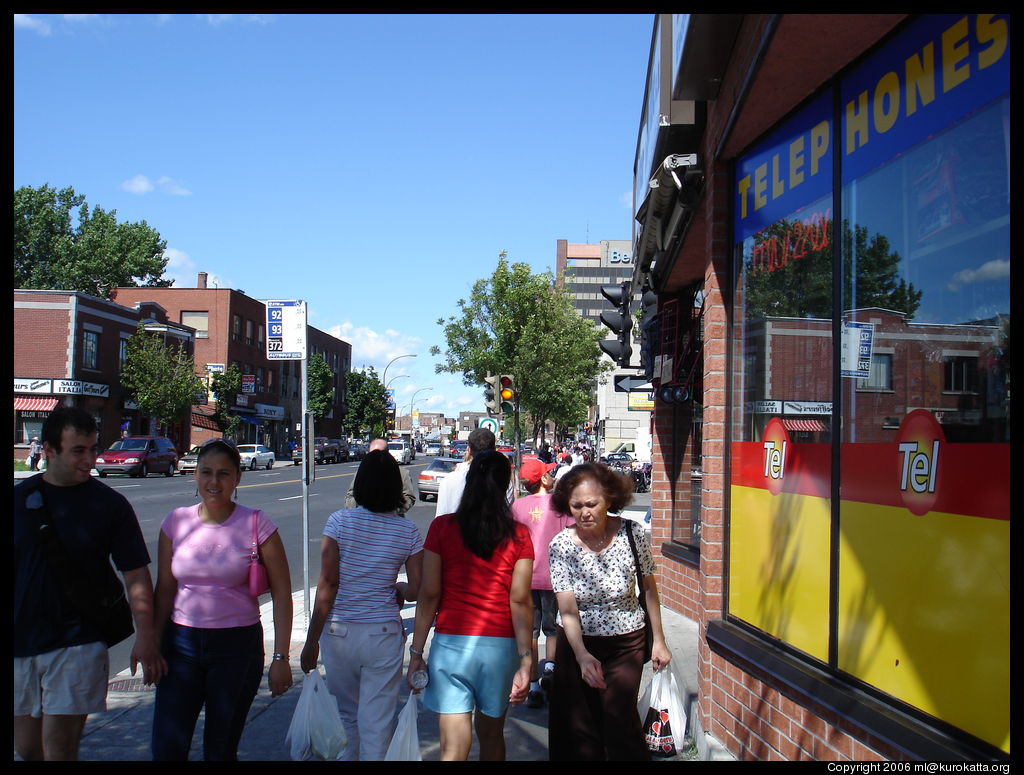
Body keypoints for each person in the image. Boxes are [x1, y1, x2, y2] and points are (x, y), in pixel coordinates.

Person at [14, 407, 164, 761]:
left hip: (78, 640)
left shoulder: (109, 505)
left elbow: (136, 574)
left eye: (93, 449)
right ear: (49, 450)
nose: (90, 459)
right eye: (78, 450)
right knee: (26, 747)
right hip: (21, 639)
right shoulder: (20, 500)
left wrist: (146, 636)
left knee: (60, 747)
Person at [151, 438, 293, 760]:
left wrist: (281, 659)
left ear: (237, 478)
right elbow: (164, 589)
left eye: (223, 474)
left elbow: (283, 593)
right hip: (181, 646)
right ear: (195, 475)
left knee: (220, 749)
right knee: (167, 747)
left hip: (236, 648)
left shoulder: (258, 524)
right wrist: (151, 643)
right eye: (206, 473)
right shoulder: (175, 523)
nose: (214, 482)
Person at [408, 451, 534, 760]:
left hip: (451, 646)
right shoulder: (519, 535)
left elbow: (429, 594)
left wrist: (416, 652)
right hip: (500, 648)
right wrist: (527, 657)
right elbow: (519, 599)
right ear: (507, 484)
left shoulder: (442, 528)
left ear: (470, 480)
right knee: (492, 736)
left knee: (453, 747)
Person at [301, 449, 423, 760]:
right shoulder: (408, 531)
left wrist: (312, 641)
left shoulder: (339, 522)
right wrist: (397, 587)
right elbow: (416, 590)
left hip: (339, 631)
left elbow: (328, 584)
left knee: (346, 716)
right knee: (377, 723)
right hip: (382, 633)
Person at [547, 463, 672, 761]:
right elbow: (567, 610)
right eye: (576, 506)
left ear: (610, 501)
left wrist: (659, 641)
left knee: (619, 716)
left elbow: (649, 590)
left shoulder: (633, 534)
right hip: (578, 643)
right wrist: (581, 655)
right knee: (581, 726)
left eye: (592, 504)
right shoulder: (560, 545)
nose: (584, 512)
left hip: (626, 641)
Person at [510, 457, 571, 709]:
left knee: (531, 632)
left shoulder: (517, 506)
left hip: (525, 577)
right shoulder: (559, 506)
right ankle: (551, 671)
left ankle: (533, 686)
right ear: (544, 480)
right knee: (553, 628)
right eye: (549, 473)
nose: (553, 474)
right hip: (553, 575)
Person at [435, 428, 513, 517]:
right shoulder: (504, 481)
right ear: (494, 449)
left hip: (453, 529)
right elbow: (505, 515)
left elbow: (440, 516)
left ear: (469, 450)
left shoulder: (448, 480)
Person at [344, 439, 416, 516]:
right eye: (372, 454)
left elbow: (408, 498)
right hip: (362, 519)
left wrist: (391, 510)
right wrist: (360, 509)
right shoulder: (361, 472)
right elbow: (350, 496)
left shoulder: (402, 473)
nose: (374, 458)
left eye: (378, 453)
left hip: (392, 521)